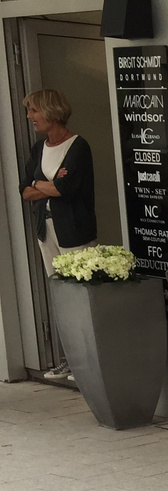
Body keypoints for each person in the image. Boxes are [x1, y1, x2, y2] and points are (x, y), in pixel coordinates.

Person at [19, 88, 97, 385]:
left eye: (34, 111)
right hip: (46, 230)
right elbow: (25, 191)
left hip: (74, 231)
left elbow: (67, 190)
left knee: (80, 295)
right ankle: (68, 360)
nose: (30, 117)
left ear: (51, 112)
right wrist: (47, 184)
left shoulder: (78, 146)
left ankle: (87, 363)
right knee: (60, 295)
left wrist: (45, 186)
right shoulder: (39, 149)